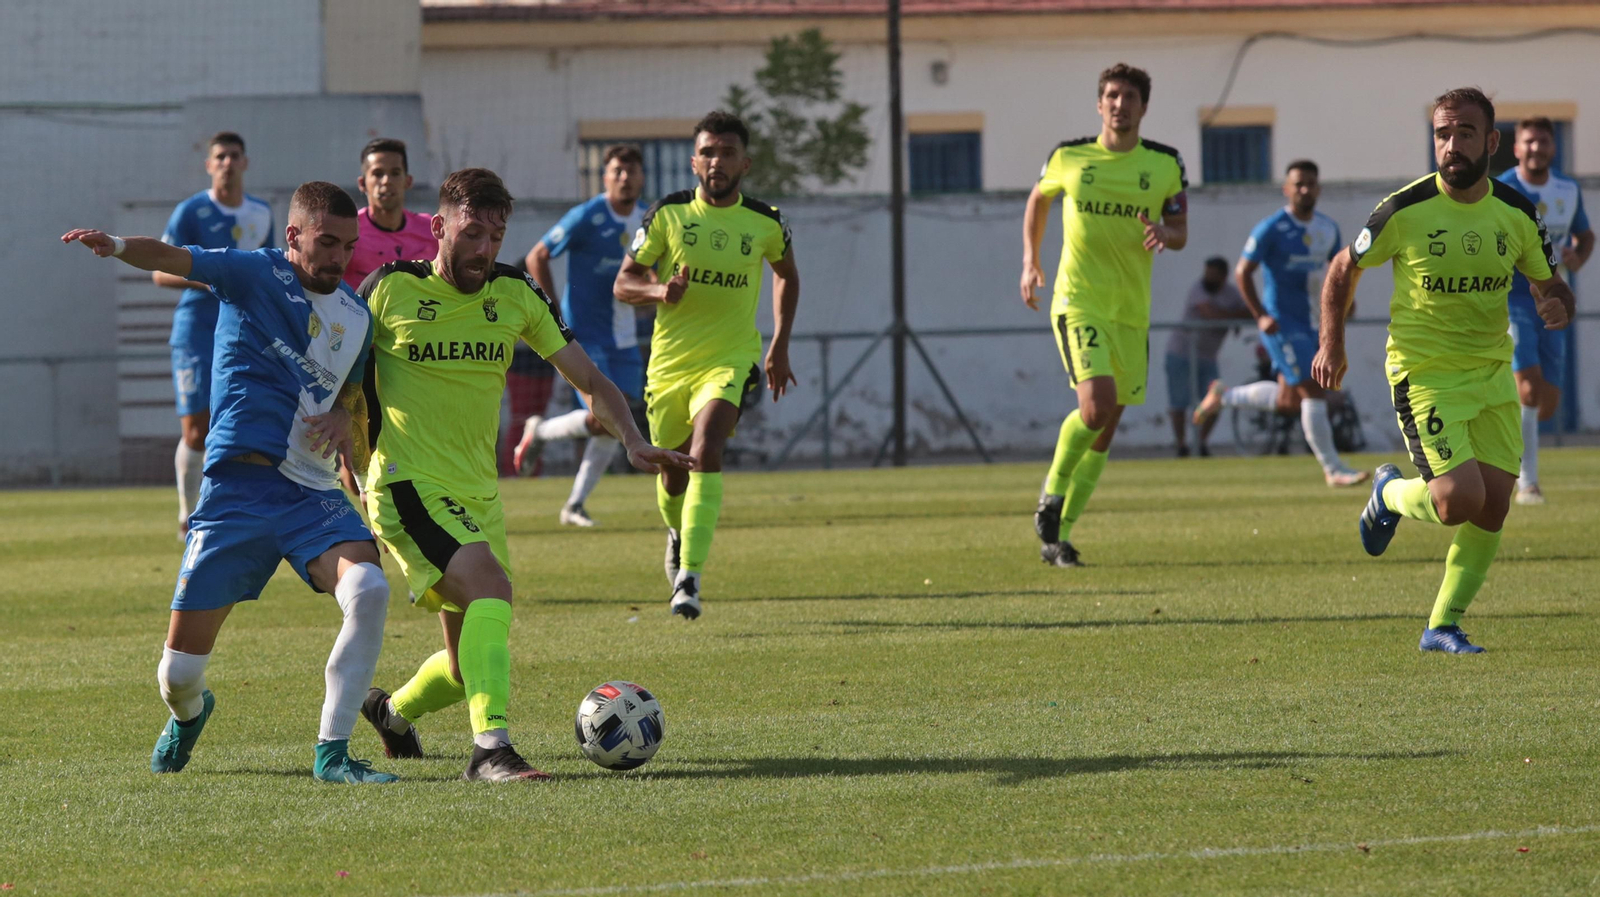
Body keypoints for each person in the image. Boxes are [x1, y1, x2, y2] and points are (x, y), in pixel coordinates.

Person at [355, 168, 693, 781]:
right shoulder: (390, 289)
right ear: (438, 227)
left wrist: (634, 440)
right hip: (406, 483)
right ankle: (490, 751)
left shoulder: (514, 292)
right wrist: (347, 469)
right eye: (472, 234)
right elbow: (339, 383)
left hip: (477, 493)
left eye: (496, 236)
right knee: (491, 592)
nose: (484, 249)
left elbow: (589, 379)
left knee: (465, 664)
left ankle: (391, 712)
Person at [64, 181, 398, 783]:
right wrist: (115, 244)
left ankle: (333, 754)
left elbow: (351, 397)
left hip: (310, 495)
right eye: (327, 243)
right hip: (236, 495)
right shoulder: (253, 273)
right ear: (294, 235)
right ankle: (189, 716)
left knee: (370, 590)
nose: (339, 258)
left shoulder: (356, 316)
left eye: (349, 246)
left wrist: (342, 421)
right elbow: (173, 257)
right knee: (177, 677)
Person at [1313, 87, 1572, 654]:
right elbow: (1342, 268)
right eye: (1442, 134)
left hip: (1492, 374)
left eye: (1465, 133)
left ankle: (1442, 626)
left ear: (1492, 142)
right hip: (1425, 374)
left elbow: (1552, 285)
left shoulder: (1517, 213)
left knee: (1494, 505)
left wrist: (1557, 305)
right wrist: (1331, 342)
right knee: (1457, 501)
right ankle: (1389, 494)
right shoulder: (1403, 210)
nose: (1452, 145)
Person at [615, 111, 800, 620]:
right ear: (694, 162)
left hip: (730, 359)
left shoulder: (765, 221)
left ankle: (689, 579)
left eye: (727, 153)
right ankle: (678, 534)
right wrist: (660, 291)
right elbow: (624, 282)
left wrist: (779, 344)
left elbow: (787, 275)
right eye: (708, 152)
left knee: (706, 449)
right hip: (670, 366)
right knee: (672, 472)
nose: (717, 161)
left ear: (745, 163)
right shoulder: (667, 215)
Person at [1021, 63, 1188, 568]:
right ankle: (1051, 494)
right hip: (1079, 301)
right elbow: (1038, 199)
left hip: (1131, 312)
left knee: (1107, 426)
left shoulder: (1165, 164)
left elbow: (1181, 230)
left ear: (1143, 107)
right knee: (1095, 408)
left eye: (1129, 96)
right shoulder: (1069, 157)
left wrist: (1164, 233)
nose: (1120, 104)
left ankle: (1060, 538)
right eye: (1112, 95)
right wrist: (1030, 260)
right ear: (1099, 104)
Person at [1194, 159, 1368, 486]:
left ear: (1318, 188)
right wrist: (1261, 315)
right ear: (1286, 189)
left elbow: (1337, 270)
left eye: (1310, 184)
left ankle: (1224, 395)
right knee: (1314, 387)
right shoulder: (1271, 228)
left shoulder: (1327, 228)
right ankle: (1333, 468)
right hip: (1282, 323)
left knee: (1290, 401)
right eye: (1298, 184)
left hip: (1313, 322)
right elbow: (1243, 272)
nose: (1304, 189)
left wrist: (1347, 301)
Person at [515, 144, 648, 527]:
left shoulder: (646, 219)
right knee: (604, 416)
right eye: (617, 171)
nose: (625, 177)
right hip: (585, 337)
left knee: (615, 419)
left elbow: (647, 270)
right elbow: (537, 256)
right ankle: (542, 435)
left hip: (624, 338)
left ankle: (573, 503)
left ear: (642, 176)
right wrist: (552, 312)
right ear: (605, 177)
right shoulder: (587, 215)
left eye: (632, 170)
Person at [156, 132, 274, 537]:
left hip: (242, 330)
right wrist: (209, 279)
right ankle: (186, 517)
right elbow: (159, 272)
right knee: (196, 429)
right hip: (197, 330)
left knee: (238, 423)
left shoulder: (261, 213)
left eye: (234, 156)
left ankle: (227, 511)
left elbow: (269, 270)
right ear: (209, 165)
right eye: (220, 156)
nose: (227, 163)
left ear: (245, 163)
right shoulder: (191, 211)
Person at [1495, 117, 1593, 504]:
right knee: (1529, 389)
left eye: (1542, 141)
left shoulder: (1567, 189)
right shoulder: (1502, 189)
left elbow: (1585, 236)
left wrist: (1576, 258)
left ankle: (1499, 414)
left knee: (1547, 404)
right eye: (1529, 141)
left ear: (1552, 147)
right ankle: (1528, 482)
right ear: (1516, 148)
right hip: (1513, 299)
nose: (1536, 147)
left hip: (1554, 298)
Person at [1162, 256, 1251, 457]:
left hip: (1208, 358)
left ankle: (1201, 443)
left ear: (1224, 276)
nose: (1208, 278)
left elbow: (1249, 311)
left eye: (1213, 275)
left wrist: (1231, 315)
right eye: (1207, 273)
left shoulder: (1231, 293)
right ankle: (1181, 446)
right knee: (1179, 403)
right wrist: (1232, 317)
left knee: (1217, 398)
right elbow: (1210, 314)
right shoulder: (1198, 289)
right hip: (1181, 354)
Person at [343, 137, 438, 291]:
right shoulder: (347, 232)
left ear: (408, 181)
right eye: (378, 173)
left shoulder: (433, 230)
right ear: (362, 183)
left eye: (395, 173)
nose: (386, 181)